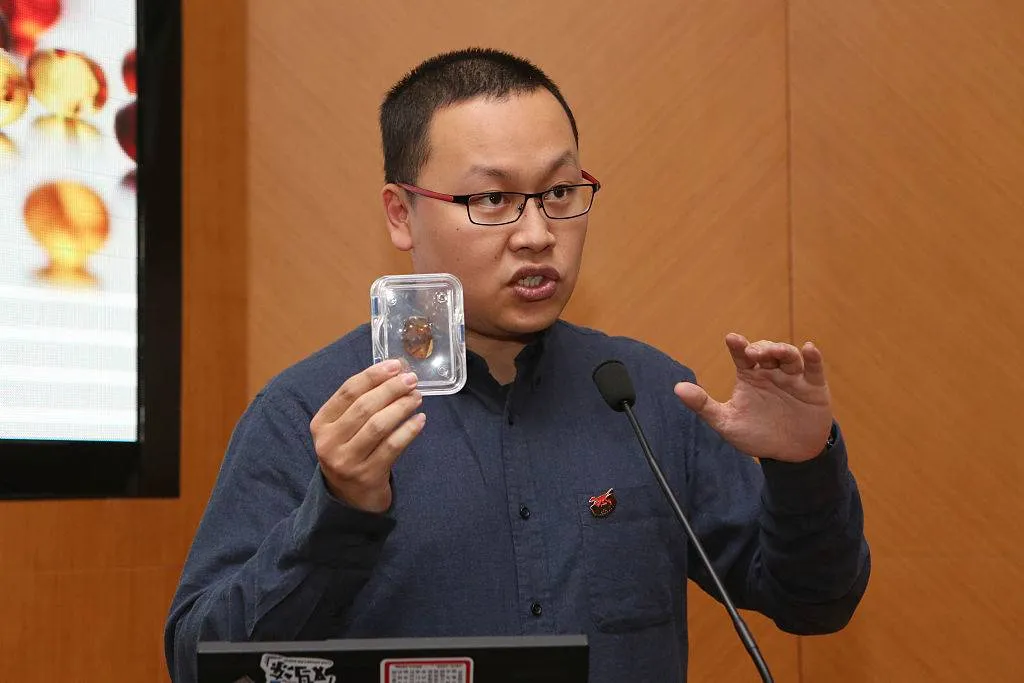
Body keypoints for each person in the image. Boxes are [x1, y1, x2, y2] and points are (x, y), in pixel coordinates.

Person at [165, 48, 870, 682]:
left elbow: (815, 600)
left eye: (560, 194)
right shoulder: (312, 412)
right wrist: (337, 509)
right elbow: (204, 662)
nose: (538, 235)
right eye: (493, 199)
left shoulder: (645, 395)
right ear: (402, 214)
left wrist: (802, 466)